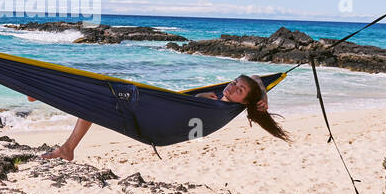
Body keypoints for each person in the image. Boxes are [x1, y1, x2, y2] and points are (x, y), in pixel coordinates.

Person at [36, 74, 289, 161]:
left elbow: (187, 112)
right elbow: (256, 79)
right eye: (234, 82)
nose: (232, 87)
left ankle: (46, 90)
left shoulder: (217, 108)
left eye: (239, 89)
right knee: (92, 103)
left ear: (245, 101)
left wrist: (262, 97)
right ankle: (68, 147)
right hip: (153, 117)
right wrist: (261, 91)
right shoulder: (218, 101)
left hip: (153, 125)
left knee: (101, 91)